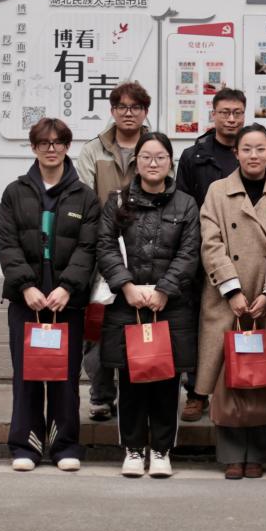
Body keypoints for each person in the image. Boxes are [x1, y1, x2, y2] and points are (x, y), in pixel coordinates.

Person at [0, 118, 100, 472]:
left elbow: (88, 248)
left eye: (58, 142)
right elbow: (7, 243)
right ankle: (25, 446)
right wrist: (26, 286)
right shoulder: (15, 192)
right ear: (34, 147)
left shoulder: (84, 196)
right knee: (26, 374)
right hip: (25, 300)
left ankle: (64, 445)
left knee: (64, 377)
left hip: (65, 302)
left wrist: (66, 287)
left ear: (68, 147)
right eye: (44, 142)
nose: (51, 148)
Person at [96, 132, 200, 478]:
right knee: (131, 381)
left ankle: (161, 450)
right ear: (136, 162)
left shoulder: (186, 204)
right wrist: (125, 286)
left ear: (170, 162)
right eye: (146, 157)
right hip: (128, 305)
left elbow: (190, 252)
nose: (153, 163)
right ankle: (133, 449)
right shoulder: (117, 201)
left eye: (160, 157)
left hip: (170, 306)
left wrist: (165, 290)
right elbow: (105, 246)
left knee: (166, 382)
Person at [195, 124, 266, 479]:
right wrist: (233, 291)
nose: (254, 155)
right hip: (227, 298)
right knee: (229, 377)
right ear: (235, 153)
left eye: (261, 149)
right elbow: (211, 242)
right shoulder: (218, 191)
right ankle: (232, 454)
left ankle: (257, 455)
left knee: (261, 376)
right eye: (247, 149)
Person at [76, 81, 155, 422]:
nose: (128, 112)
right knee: (98, 325)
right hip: (102, 251)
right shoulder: (93, 150)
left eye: (135, 107)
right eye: (122, 106)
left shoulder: (155, 147)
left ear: (145, 112)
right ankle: (101, 394)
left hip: (147, 250)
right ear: (112, 111)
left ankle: (137, 396)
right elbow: (83, 201)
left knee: (141, 324)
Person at [174, 87, 247, 422]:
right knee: (199, 324)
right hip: (202, 250)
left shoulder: (251, 150)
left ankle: (238, 388)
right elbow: (183, 205)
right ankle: (196, 393)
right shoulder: (194, 156)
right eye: (225, 112)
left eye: (237, 113)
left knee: (239, 323)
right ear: (213, 115)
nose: (231, 119)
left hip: (243, 253)